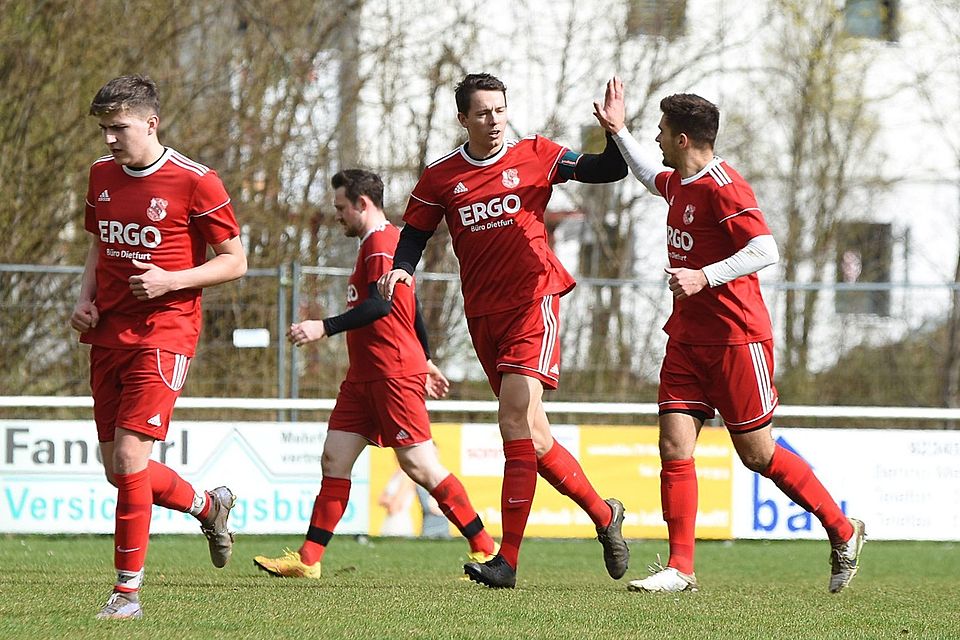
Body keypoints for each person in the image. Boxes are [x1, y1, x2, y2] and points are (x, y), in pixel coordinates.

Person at [592, 77, 865, 593]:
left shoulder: (725, 187)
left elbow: (766, 249)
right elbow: (649, 176)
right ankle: (681, 568)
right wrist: (619, 131)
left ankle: (843, 529)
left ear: (682, 140)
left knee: (757, 455)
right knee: (674, 445)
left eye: (660, 130)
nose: (656, 137)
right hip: (686, 339)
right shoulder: (680, 182)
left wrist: (705, 275)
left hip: (737, 340)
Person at [377, 73, 631, 589]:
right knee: (534, 439)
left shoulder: (537, 154)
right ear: (463, 119)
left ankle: (507, 561)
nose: (494, 120)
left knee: (512, 418)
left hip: (534, 302)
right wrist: (402, 268)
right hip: (483, 315)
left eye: (500, 110)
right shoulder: (441, 176)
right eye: (482, 112)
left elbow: (608, 170)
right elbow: (416, 233)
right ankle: (605, 515)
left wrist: (615, 134)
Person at [253, 169, 498, 579]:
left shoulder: (383, 243)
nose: (337, 215)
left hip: (392, 373)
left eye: (340, 207)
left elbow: (382, 307)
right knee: (334, 458)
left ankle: (485, 548)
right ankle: (308, 560)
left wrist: (323, 327)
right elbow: (410, 307)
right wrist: (428, 357)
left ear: (362, 204)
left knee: (420, 466)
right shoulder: (374, 243)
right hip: (364, 376)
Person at [70, 75, 247, 620]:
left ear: (151, 123)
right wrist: (85, 299)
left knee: (130, 459)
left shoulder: (196, 180)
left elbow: (235, 261)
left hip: (165, 332)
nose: (109, 139)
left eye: (118, 127)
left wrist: (173, 280)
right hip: (108, 333)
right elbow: (99, 246)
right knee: (119, 471)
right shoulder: (101, 174)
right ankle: (207, 505)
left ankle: (126, 594)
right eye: (104, 129)